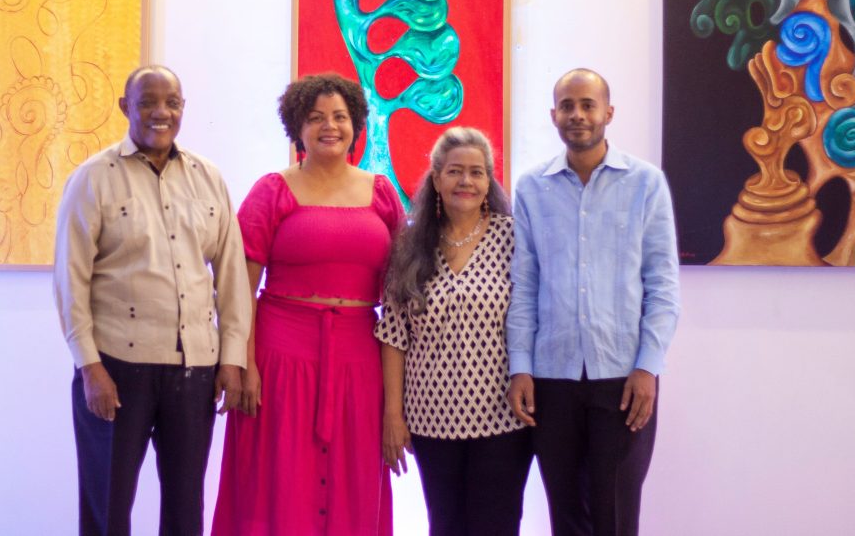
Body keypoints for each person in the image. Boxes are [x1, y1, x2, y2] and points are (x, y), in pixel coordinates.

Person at [53, 65, 251, 536]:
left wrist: (232, 358)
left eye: (172, 103)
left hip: (194, 371)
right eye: (147, 102)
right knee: (107, 506)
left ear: (183, 108)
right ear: (126, 107)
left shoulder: (208, 178)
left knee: (186, 510)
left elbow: (231, 274)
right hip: (116, 369)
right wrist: (89, 367)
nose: (161, 112)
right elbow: (69, 280)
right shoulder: (93, 178)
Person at [212, 73, 403, 536]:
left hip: (360, 363)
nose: (329, 126)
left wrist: (398, 401)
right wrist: (243, 364)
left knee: (354, 481)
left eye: (340, 117)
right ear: (297, 128)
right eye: (316, 118)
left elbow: (401, 296)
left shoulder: (381, 193)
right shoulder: (272, 190)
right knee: (278, 481)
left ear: (356, 125)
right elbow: (240, 287)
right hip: (279, 359)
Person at [506, 68, 681, 536]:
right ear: (553, 115)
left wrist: (648, 367)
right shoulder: (531, 188)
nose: (577, 115)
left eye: (588, 104)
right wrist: (520, 366)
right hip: (551, 379)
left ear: (609, 112)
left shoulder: (645, 183)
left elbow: (663, 285)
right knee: (567, 517)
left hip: (623, 378)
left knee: (615, 516)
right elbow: (524, 285)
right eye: (567, 106)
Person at [377, 127, 533, 536]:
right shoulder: (410, 244)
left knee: (496, 527)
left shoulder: (514, 237)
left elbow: (532, 316)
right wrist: (393, 415)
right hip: (430, 419)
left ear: (489, 181)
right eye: (455, 171)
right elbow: (393, 335)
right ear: (436, 178)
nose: (466, 181)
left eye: (477, 172)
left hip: (502, 418)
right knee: (444, 526)